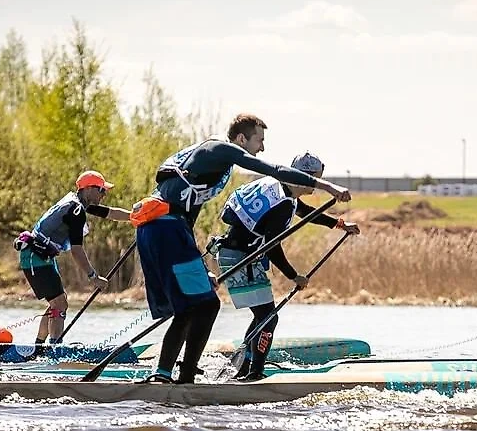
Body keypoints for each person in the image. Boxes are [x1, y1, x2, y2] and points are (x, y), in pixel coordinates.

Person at [131, 113, 351, 384]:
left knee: (199, 306)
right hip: (162, 228)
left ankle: (175, 377)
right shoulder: (218, 148)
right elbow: (275, 170)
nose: (261, 148)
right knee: (202, 305)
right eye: (259, 140)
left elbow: (188, 212)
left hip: (170, 230)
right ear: (240, 138)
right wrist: (329, 187)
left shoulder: (213, 167)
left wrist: (200, 266)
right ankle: (173, 376)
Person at [215, 151, 360, 381]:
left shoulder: (279, 188)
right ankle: (254, 375)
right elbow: (272, 248)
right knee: (268, 317)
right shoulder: (282, 205)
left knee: (263, 315)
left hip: (236, 255)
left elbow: (304, 212)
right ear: (304, 176)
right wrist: (295, 277)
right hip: (240, 260)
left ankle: (245, 369)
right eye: (314, 178)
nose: (314, 185)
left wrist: (340, 224)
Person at [16, 171, 131, 345]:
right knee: (59, 304)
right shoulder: (76, 210)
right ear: (88, 189)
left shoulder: (79, 203)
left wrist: (138, 218)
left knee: (58, 303)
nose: (104, 195)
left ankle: (39, 347)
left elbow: (111, 213)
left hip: (41, 256)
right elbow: (77, 250)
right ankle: (54, 351)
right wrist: (93, 277)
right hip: (35, 257)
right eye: (101, 190)